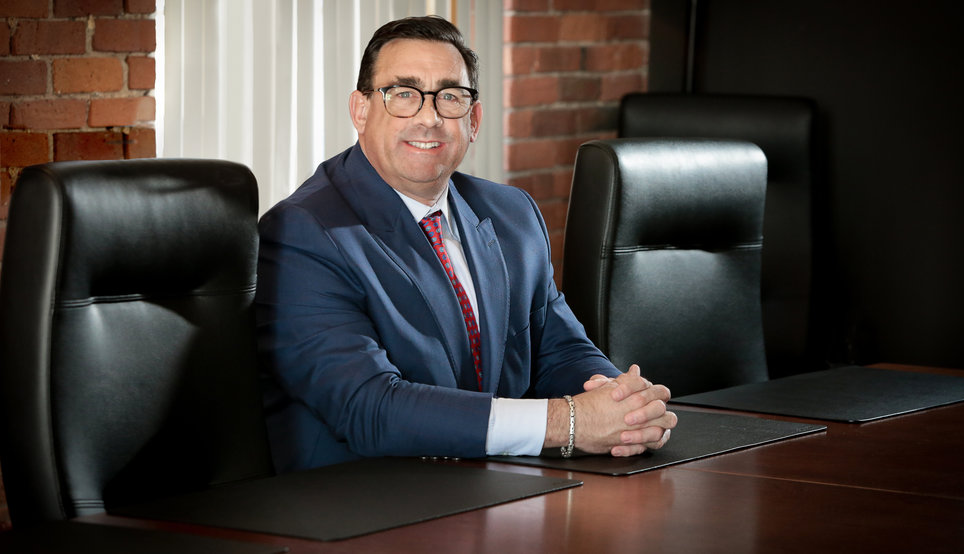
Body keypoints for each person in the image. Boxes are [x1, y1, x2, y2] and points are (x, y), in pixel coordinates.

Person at [256, 15, 677, 473]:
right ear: (360, 110)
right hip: (362, 495)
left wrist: (625, 409)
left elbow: (560, 350)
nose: (429, 118)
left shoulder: (511, 213)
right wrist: (569, 423)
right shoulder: (304, 231)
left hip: (497, 484)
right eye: (403, 94)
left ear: (473, 119)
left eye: (450, 96)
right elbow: (369, 408)